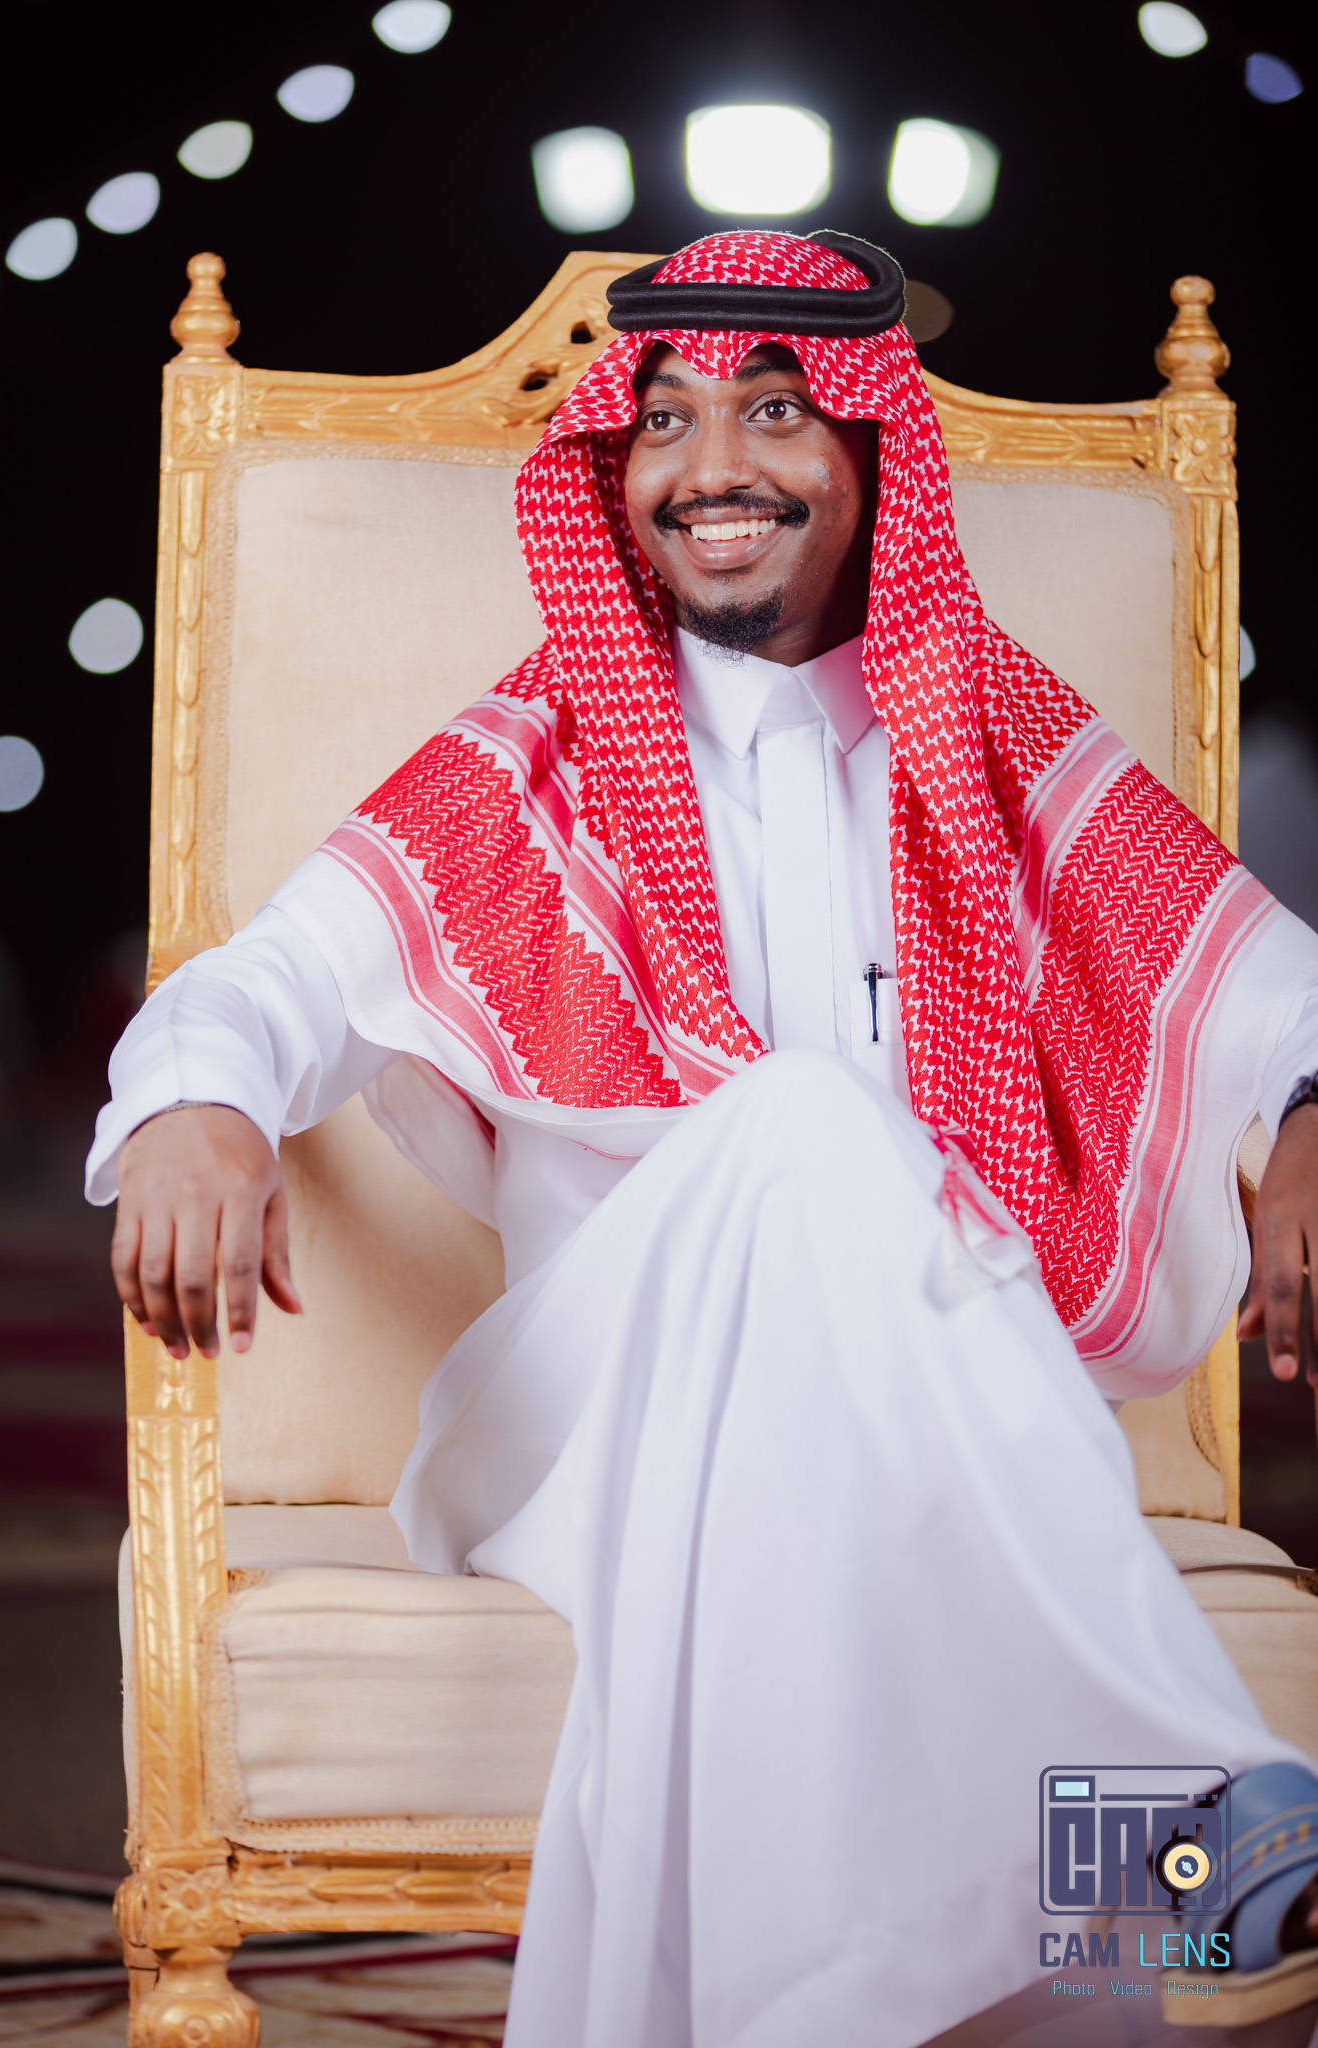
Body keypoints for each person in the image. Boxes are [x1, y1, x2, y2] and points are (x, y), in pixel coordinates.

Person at [87, 230, 1318, 2045]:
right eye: (662, 418)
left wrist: (1304, 1122)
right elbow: (258, 985)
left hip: (928, 1407)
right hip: (595, 1411)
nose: (708, 464)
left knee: (871, 1367)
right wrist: (196, 1104)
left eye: (772, 412)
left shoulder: (995, 740)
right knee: (805, 1124)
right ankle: (1197, 1830)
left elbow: (1281, 995)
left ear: (872, 453)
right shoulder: (532, 760)